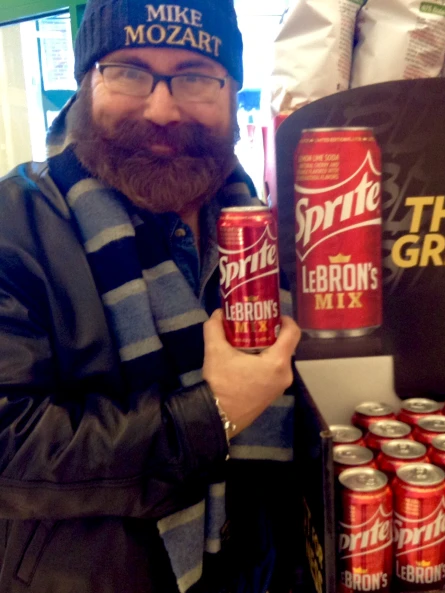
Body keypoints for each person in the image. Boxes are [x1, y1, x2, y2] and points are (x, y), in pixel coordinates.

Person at [0, 1, 301, 592]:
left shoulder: (271, 226)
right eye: (129, 71)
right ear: (87, 82)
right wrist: (209, 414)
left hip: (261, 569)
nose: (162, 108)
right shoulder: (16, 221)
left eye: (194, 76)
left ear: (232, 92)